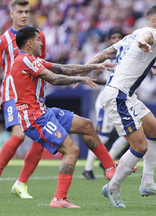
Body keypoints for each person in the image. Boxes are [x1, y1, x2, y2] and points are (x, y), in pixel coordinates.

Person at [10, 26, 117, 208]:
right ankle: (59, 199)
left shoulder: (32, 60)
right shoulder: (24, 60)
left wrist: (94, 66)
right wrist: (80, 79)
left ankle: (110, 168)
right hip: (35, 118)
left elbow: (64, 68)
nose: (41, 42)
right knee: (72, 150)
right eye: (38, 39)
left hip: (43, 112)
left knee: (86, 125)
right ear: (29, 43)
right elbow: (54, 78)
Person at [83, 4, 156, 208]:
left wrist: (84, 69)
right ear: (153, 21)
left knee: (155, 130)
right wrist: (143, 44)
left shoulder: (131, 36)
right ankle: (112, 188)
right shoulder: (152, 34)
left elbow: (105, 53)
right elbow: (147, 38)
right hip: (119, 96)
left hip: (126, 95)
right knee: (140, 146)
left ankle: (147, 182)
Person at [0, 0, 47, 199]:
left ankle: (21, 183)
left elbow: (41, 63)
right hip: (12, 93)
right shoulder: (3, 40)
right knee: (18, 135)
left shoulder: (39, 36)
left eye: (26, 11)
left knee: (41, 138)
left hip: (34, 94)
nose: (24, 15)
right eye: (20, 12)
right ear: (12, 14)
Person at [83, 29, 136, 180]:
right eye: (114, 37)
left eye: (119, 37)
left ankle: (108, 160)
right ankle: (88, 168)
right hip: (107, 100)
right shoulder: (107, 56)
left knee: (130, 133)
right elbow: (94, 75)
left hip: (121, 99)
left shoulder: (127, 55)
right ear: (109, 40)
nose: (116, 40)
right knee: (103, 136)